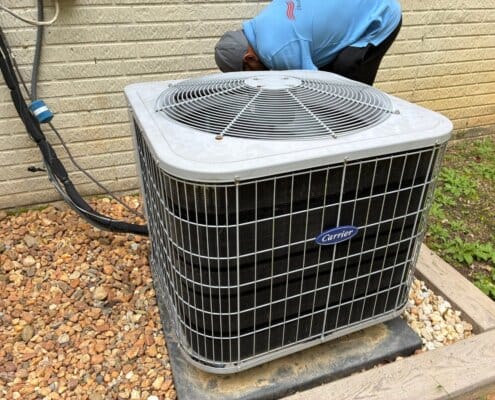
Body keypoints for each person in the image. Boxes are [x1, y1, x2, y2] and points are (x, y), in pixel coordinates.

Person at [214, 0, 402, 86]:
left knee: (346, 83)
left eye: (250, 75)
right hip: (358, 9)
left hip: (380, 13)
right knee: (330, 69)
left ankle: (355, 148)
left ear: (249, 58)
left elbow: (311, 87)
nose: (255, 78)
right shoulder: (261, 24)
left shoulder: (275, 51)